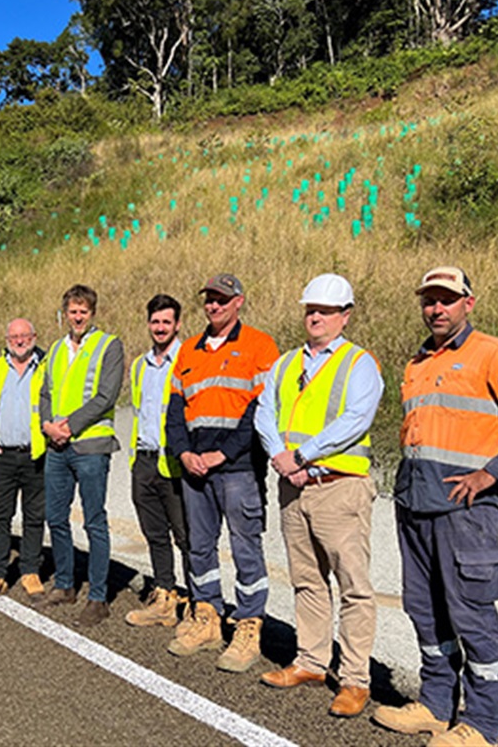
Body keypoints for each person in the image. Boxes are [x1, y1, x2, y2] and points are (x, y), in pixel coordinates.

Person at [373, 267, 498, 747]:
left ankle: (482, 724)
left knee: (471, 615)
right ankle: (437, 706)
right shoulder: (419, 361)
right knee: (426, 612)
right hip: (417, 506)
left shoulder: (493, 353)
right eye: (429, 300)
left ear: (468, 303)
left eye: (446, 299)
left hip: (466, 511)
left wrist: (492, 472)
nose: (436, 308)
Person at [254, 273, 384, 719]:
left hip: (338, 487)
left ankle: (354, 679)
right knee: (307, 580)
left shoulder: (358, 363)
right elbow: (265, 411)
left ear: (345, 316)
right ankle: (310, 661)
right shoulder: (288, 362)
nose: (316, 316)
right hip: (293, 486)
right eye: (311, 309)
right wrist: (279, 455)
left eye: (326, 311)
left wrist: (303, 455)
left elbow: (356, 419)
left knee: (353, 586)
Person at [166, 274, 280, 672]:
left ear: (238, 302)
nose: (213, 306)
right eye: (209, 300)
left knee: (245, 547)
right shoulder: (188, 352)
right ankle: (207, 616)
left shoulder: (260, 346)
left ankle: (249, 626)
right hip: (195, 466)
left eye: (221, 300)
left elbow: (261, 412)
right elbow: (175, 412)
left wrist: (222, 454)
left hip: (237, 467)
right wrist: (182, 452)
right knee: (200, 545)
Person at [40, 284, 125, 628]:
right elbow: (45, 391)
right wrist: (48, 425)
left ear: (92, 313)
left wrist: (69, 426)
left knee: (94, 521)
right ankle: (65, 584)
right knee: (56, 517)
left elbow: (106, 395)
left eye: (84, 311)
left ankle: (98, 596)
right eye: (73, 311)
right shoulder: (57, 349)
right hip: (56, 447)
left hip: (90, 446)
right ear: (65, 313)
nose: (78, 317)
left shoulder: (109, 345)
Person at [123, 295, 190, 629]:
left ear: (177, 324)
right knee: (155, 535)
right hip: (145, 461)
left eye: (166, 322)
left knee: (187, 537)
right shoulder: (139, 365)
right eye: (155, 321)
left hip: (176, 464)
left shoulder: (187, 360)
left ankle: (197, 604)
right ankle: (165, 593)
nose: (160, 328)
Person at [0, 318, 47, 604]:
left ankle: (30, 571)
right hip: (2, 456)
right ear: (6, 338)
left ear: (34, 337)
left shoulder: (46, 368)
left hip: (35, 455)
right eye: (14, 336)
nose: (19, 340)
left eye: (24, 335)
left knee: (34, 516)